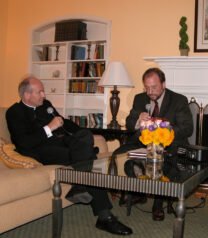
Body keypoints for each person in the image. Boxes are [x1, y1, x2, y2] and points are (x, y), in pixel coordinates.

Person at [6, 75, 133, 236]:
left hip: (61, 142)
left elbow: (64, 122)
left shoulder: (45, 105)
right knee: (88, 159)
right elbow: (23, 142)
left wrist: (83, 133)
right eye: (40, 92)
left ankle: (79, 185)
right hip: (40, 150)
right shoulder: (14, 112)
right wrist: (49, 128)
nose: (44, 95)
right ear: (27, 95)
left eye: (43, 91)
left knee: (85, 136)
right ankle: (105, 216)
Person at [113, 67, 193, 221]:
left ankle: (158, 202)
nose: (150, 91)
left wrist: (162, 128)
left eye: (154, 87)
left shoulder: (178, 100)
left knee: (167, 164)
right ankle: (140, 192)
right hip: (143, 143)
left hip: (169, 145)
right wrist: (138, 120)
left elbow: (187, 128)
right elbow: (130, 124)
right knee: (121, 156)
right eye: (147, 87)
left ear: (163, 84)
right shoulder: (140, 99)